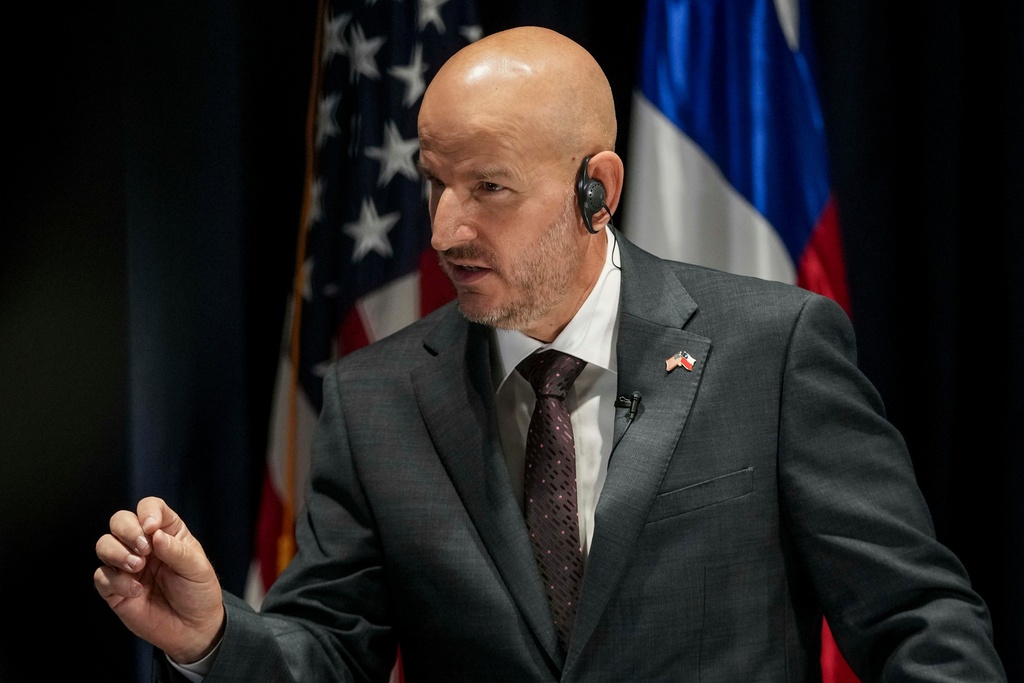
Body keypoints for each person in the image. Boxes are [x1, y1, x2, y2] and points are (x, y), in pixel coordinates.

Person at [94, 25, 1007, 682]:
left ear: (594, 189)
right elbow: (329, 651)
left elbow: (917, 619)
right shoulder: (377, 397)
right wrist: (212, 635)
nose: (447, 228)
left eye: (489, 187)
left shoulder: (771, 349)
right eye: (436, 183)